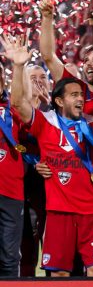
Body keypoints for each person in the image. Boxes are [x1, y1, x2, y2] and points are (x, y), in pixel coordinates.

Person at [8, 34, 93, 277]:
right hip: (58, 212)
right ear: (59, 101)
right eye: (74, 95)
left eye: (82, 96)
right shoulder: (46, 123)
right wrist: (19, 65)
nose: (80, 99)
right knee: (59, 275)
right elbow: (18, 104)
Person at [0, 72, 28, 276]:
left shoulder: (13, 109)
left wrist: (19, 66)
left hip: (11, 192)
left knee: (10, 257)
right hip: (12, 192)